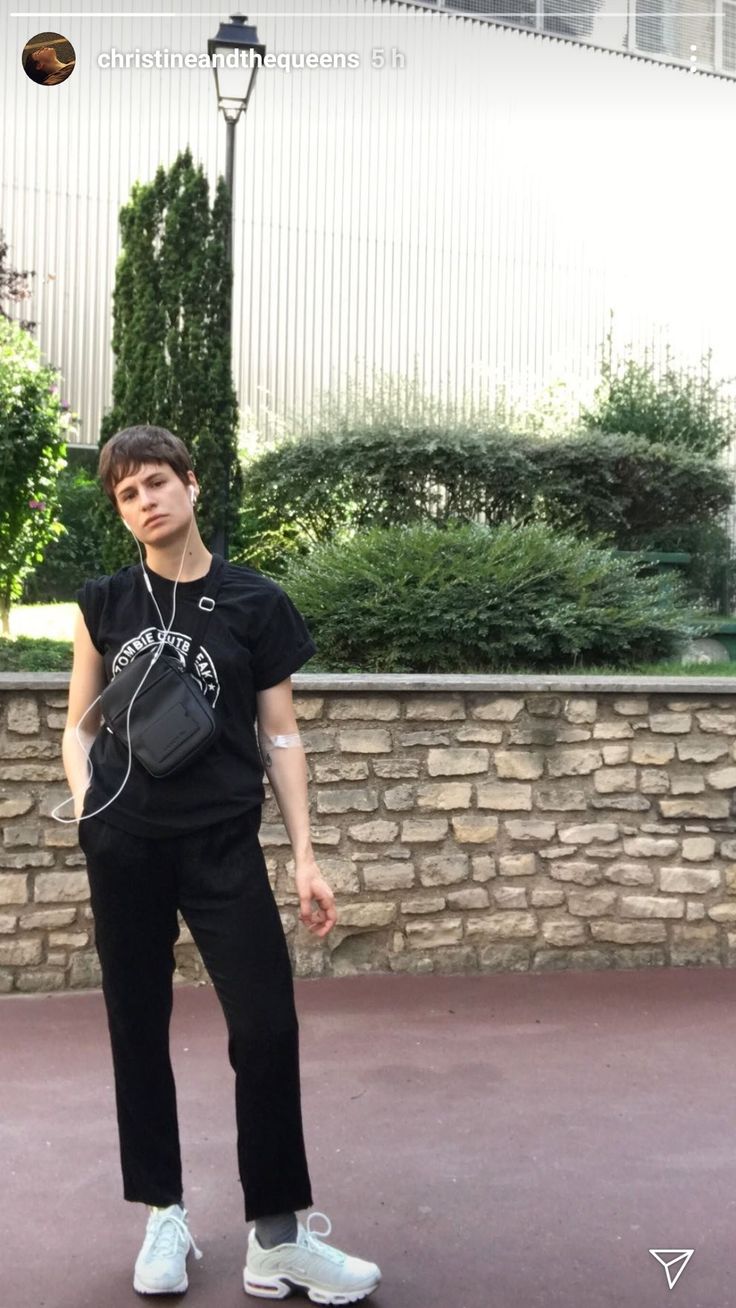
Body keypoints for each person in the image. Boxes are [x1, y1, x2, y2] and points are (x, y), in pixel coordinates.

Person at [60, 425, 381, 1302]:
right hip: (125, 845)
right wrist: (91, 807)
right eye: (127, 495)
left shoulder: (255, 602)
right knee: (137, 1025)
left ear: (193, 485)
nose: (145, 503)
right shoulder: (104, 603)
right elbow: (79, 724)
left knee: (268, 1027)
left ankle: (277, 1236)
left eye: (157, 483)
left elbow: (280, 736)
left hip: (223, 844)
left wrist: (305, 856)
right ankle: (162, 1212)